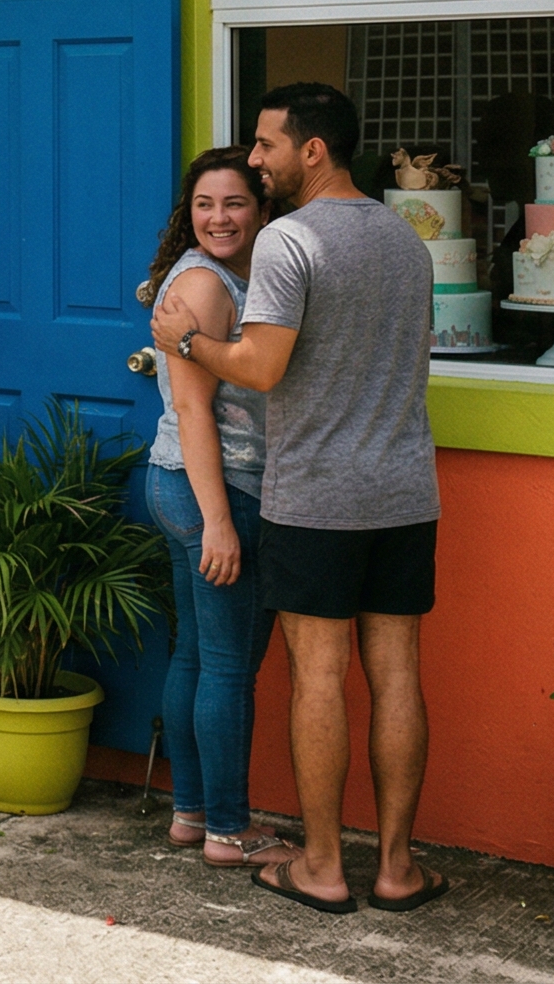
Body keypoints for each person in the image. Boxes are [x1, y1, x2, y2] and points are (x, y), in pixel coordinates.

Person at [151, 82, 445, 915]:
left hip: (317, 493)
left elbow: (261, 367)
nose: (255, 159)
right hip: (404, 489)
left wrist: (188, 340)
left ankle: (321, 866)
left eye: (266, 145)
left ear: (312, 150)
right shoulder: (405, 236)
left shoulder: (289, 239)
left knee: (319, 678)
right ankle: (397, 869)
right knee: (397, 677)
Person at [141, 147, 291, 869]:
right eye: (205, 204)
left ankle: (192, 814)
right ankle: (230, 831)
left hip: (185, 483)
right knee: (229, 667)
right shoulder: (204, 284)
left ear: (261, 208)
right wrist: (221, 524)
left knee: (199, 655)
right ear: (188, 211)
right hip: (215, 487)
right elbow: (197, 411)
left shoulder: (234, 275)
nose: (219, 217)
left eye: (234, 203)